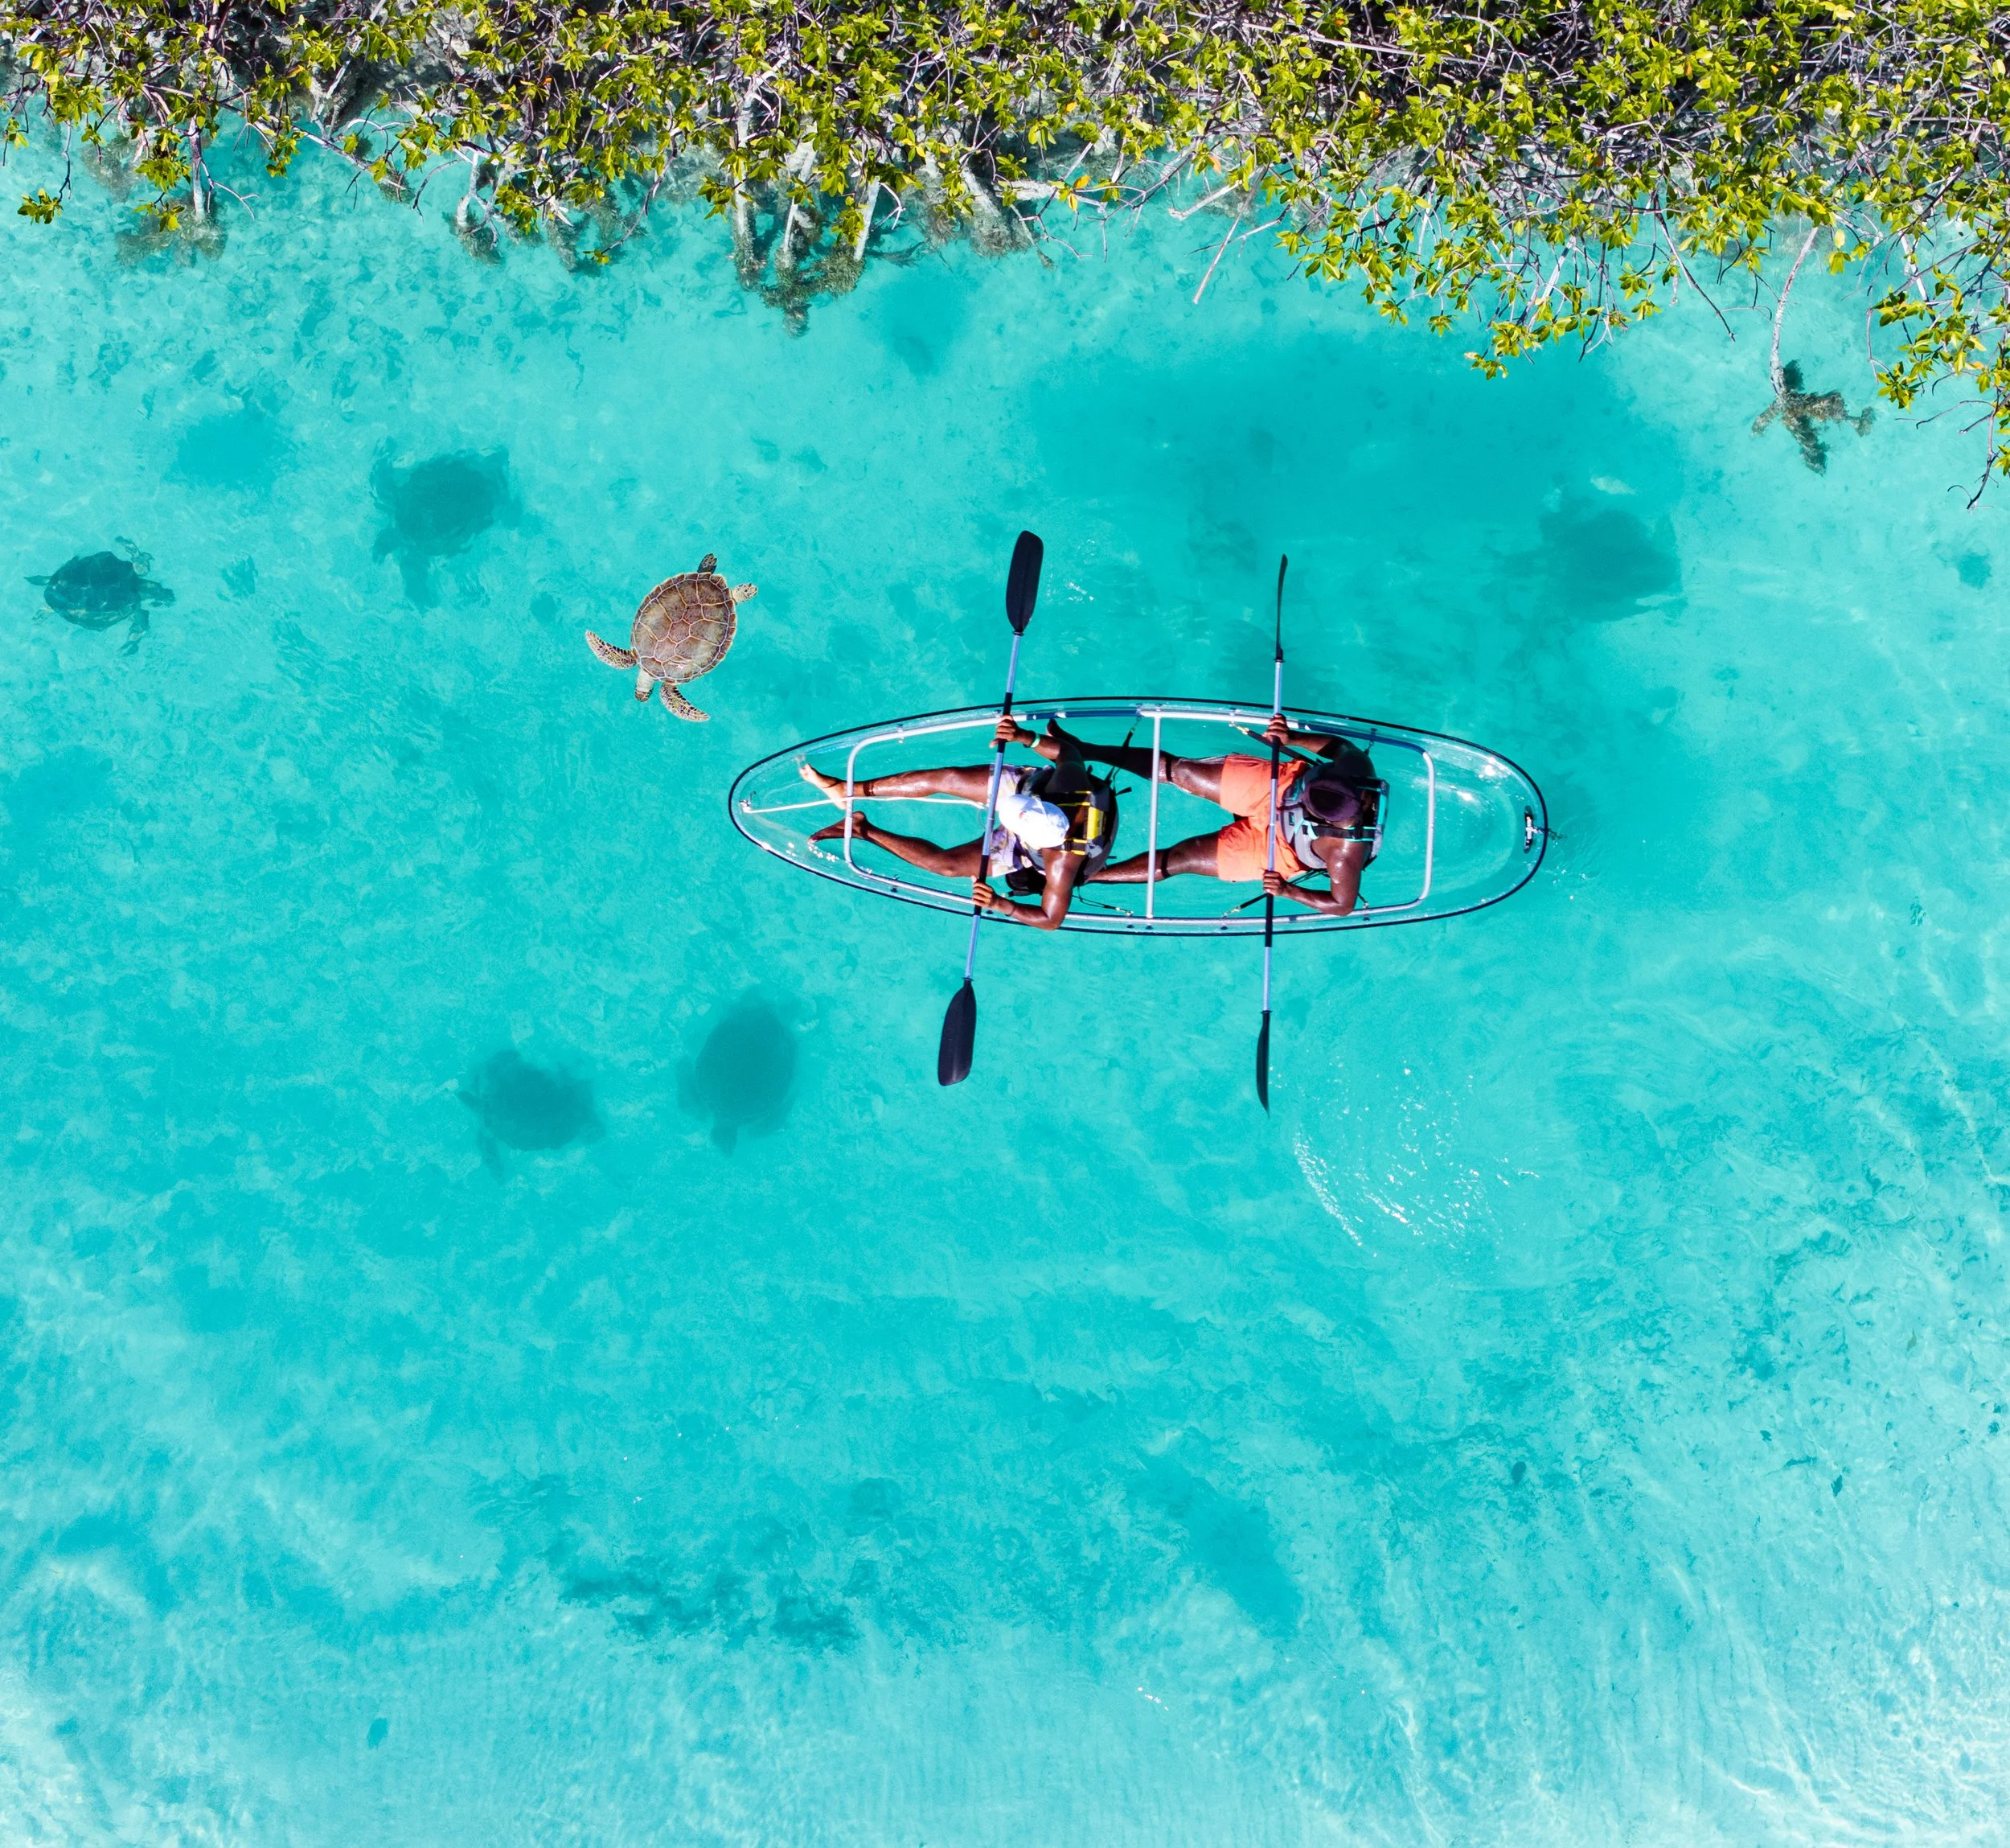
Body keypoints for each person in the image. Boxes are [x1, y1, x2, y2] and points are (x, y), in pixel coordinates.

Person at [798, 717, 1118, 930]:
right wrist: (1024, 737)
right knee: (949, 778)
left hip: (1031, 845)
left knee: (946, 866)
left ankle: (860, 828)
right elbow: (1067, 751)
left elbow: (1051, 920)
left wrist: (1000, 904)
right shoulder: (1069, 784)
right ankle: (846, 789)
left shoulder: (1060, 863)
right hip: (1029, 792)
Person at [1077, 716, 1380, 916]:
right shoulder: (1354, 765)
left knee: (1183, 858)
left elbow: (1342, 904)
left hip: (1282, 848)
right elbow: (1341, 746)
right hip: (1281, 787)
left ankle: (1085, 877)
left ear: (1325, 822)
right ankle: (1083, 749)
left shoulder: (1344, 854)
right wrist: (1292, 739)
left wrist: (1288, 891)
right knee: (1181, 771)